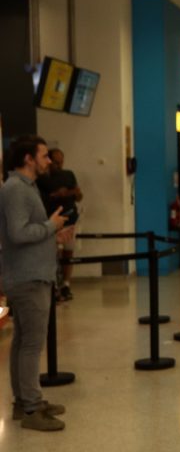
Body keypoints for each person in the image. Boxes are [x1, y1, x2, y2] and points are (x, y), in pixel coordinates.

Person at [0, 135, 69, 431]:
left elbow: (28, 230)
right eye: (43, 155)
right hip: (28, 277)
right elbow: (17, 233)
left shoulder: (26, 187)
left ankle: (24, 401)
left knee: (22, 341)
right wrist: (50, 226)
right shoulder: (16, 189)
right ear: (28, 159)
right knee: (31, 344)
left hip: (30, 273)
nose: (48, 161)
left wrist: (52, 232)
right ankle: (31, 407)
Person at [36, 148, 82, 301]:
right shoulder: (42, 178)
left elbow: (79, 195)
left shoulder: (68, 174)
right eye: (56, 162)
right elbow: (42, 198)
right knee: (53, 253)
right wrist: (56, 195)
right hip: (51, 220)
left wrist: (70, 193)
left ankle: (66, 285)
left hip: (70, 219)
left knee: (68, 251)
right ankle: (54, 285)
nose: (59, 165)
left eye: (61, 162)